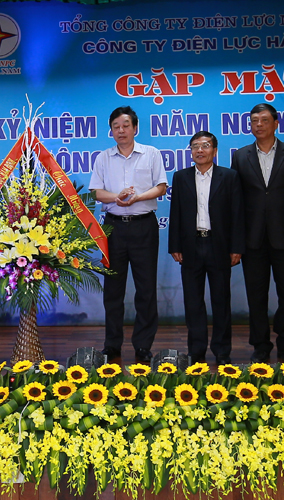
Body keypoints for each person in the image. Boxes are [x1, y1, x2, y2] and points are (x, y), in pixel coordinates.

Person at [231, 103, 284, 363]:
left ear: (276, 123)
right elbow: (236, 202)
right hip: (252, 238)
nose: (259, 125)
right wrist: (236, 240)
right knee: (256, 295)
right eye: (254, 120)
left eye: (264, 120)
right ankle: (260, 346)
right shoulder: (240, 156)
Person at [89, 106, 168, 363]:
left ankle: (143, 345)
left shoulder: (151, 154)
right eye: (116, 127)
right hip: (113, 228)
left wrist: (137, 198)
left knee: (146, 288)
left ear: (135, 128)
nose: (121, 130)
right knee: (113, 289)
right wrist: (118, 197)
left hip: (144, 226)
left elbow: (161, 187)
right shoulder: (103, 158)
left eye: (125, 126)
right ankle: (112, 344)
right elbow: (96, 192)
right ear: (111, 131)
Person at [168, 132, 245, 365]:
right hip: (191, 245)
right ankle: (196, 350)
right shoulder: (180, 177)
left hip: (219, 245)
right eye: (195, 146)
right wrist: (175, 245)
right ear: (191, 151)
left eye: (205, 145)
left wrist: (236, 247)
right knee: (193, 302)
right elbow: (176, 213)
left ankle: (222, 351)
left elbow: (237, 214)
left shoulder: (229, 176)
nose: (200, 150)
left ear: (215, 150)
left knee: (221, 300)